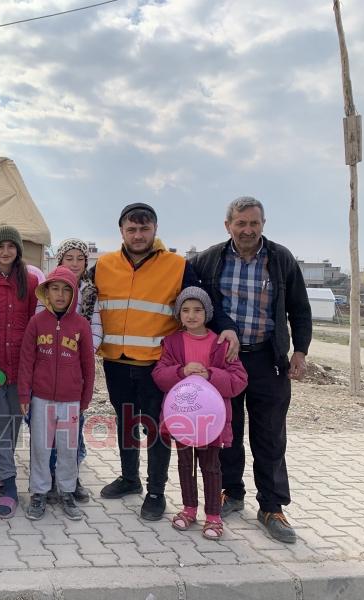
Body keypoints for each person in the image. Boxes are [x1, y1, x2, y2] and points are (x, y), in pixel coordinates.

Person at [191, 196, 312, 543]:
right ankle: (231, 492)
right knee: (226, 429)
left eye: (254, 223)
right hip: (224, 361)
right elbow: (190, 294)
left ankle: (272, 507)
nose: (247, 230)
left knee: (270, 434)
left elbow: (300, 309)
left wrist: (300, 351)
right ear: (227, 225)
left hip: (267, 360)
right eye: (241, 223)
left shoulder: (281, 259)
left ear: (263, 224)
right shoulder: (208, 259)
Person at [96, 203, 214, 522]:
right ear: (121, 231)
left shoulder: (177, 266)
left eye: (144, 229)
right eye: (131, 229)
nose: (138, 235)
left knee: (156, 429)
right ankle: (129, 479)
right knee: (126, 422)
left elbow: (200, 307)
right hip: (116, 361)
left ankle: (156, 491)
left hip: (156, 366)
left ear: (155, 230)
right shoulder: (104, 264)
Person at [152, 287, 248, 540]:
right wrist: (181, 371)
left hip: (210, 421)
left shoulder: (222, 343)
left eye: (197, 310)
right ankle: (189, 509)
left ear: (208, 313)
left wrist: (211, 375)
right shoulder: (172, 342)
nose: (191, 315)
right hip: (182, 419)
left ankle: (214, 516)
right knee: (186, 464)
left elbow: (239, 380)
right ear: (178, 314)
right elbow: (159, 375)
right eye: (185, 310)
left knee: (211, 467)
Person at [19, 266, 95, 521]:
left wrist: (85, 398)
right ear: (46, 292)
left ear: (74, 294)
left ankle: (67, 492)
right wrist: (23, 395)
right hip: (41, 398)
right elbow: (26, 361)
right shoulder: (37, 322)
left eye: (66, 290)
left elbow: (88, 365)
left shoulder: (81, 325)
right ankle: (39, 493)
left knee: (68, 449)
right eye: (55, 289)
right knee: (41, 448)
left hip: (71, 400)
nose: (60, 295)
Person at [0, 225, 38, 518]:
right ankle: (10, 484)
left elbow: (33, 322)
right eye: (0, 246)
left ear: (18, 250)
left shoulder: (30, 280)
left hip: (21, 365)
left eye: (11, 246)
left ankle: (2, 475)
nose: (5, 251)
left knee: (12, 424)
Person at [37, 238, 102, 503]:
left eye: (80, 259)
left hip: (74, 368)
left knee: (73, 431)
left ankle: (71, 479)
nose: (75, 263)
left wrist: (82, 354)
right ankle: (50, 477)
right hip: (49, 367)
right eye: (69, 258)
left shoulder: (90, 292)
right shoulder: (47, 289)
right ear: (60, 260)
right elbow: (38, 323)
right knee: (49, 432)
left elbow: (96, 327)